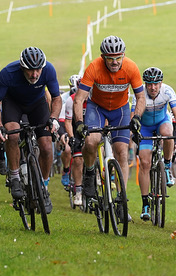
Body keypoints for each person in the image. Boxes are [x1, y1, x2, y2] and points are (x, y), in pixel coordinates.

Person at [73, 35, 145, 215]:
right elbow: (79, 98)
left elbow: (141, 97)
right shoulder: (94, 67)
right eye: (110, 58)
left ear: (123, 55)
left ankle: (122, 199)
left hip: (119, 110)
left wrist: (136, 117)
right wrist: (80, 123)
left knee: (121, 150)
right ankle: (90, 174)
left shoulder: (131, 67)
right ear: (103, 57)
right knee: (91, 141)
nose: (114, 62)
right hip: (96, 108)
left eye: (118, 58)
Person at [0, 47, 61, 214]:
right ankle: (14, 176)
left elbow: (56, 98)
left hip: (37, 105)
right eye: (30, 70)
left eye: (38, 70)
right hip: (13, 104)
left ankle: (43, 187)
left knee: (45, 145)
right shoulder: (8, 73)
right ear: (22, 67)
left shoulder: (49, 70)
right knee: (12, 135)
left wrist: (54, 118)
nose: (35, 74)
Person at [133, 67, 176, 221]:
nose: (153, 87)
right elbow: (134, 114)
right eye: (149, 84)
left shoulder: (167, 91)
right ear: (145, 84)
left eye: (156, 84)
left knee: (168, 134)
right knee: (145, 163)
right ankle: (145, 203)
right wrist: (135, 132)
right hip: (145, 128)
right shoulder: (139, 93)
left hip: (162, 121)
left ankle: (167, 166)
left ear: (161, 83)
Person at [65, 74, 85, 206]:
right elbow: (67, 122)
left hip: (91, 128)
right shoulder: (71, 100)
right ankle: (78, 191)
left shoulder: (96, 99)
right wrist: (71, 137)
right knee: (78, 159)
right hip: (75, 129)